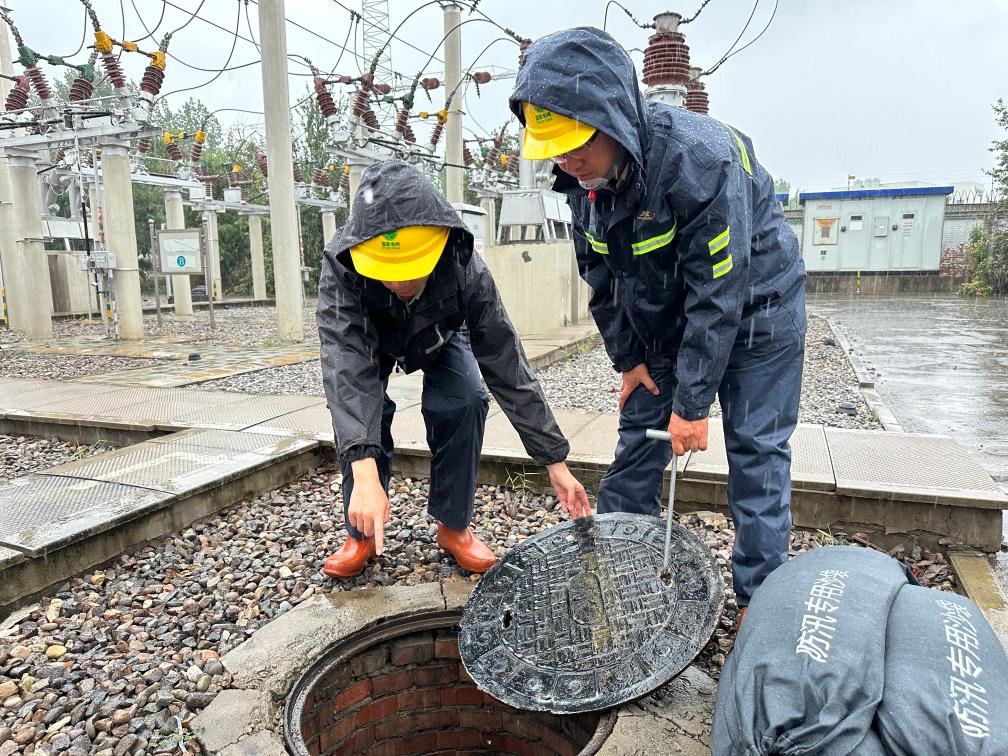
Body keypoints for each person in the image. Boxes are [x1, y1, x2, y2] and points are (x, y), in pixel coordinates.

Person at [510, 27, 807, 624]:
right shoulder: (582, 181)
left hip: (757, 307)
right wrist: (630, 361)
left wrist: (694, 404)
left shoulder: (700, 160)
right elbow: (600, 273)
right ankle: (622, 569)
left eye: (575, 145)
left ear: (614, 119)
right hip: (671, 318)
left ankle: (759, 600)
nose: (566, 161)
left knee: (756, 450)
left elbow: (719, 293)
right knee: (638, 441)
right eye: (555, 149)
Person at [316, 160, 591, 579]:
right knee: (365, 416)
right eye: (389, 274)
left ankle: (454, 525)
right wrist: (364, 469)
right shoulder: (343, 264)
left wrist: (554, 459)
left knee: (465, 400)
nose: (400, 283)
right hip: (372, 335)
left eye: (412, 270)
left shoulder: (466, 268)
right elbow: (346, 369)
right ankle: (362, 532)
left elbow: (507, 365)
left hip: (440, 332)